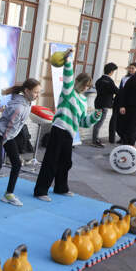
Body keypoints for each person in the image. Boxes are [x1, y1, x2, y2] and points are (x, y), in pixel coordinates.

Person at [34, 49, 101, 202]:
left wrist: (94, 117)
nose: (85, 88)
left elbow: (83, 121)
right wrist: (68, 60)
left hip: (70, 133)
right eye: (84, 85)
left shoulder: (83, 101)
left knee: (66, 162)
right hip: (59, 128)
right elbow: (68, 77)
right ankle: (40, 190)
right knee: (51, 160)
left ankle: (60, 188)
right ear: (77, 82)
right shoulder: (68, 91)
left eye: (88, 86)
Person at [0, 79, 41, 214]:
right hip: (0, 135)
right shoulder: (19, 107)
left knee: (17, 164)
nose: (37, 95)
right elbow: (9, 128)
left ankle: (8, 194)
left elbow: (12, 130)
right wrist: (3, 142)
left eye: (39, 92)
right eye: (35, 92)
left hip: (9, 136)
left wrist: (8, 140)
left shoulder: (27, 103)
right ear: (27, 91)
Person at [110, 62, 136, 143]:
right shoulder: (124, 78)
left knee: (126, 122)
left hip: (130, 103)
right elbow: (121, 90)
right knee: (118, 122)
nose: (131, 70)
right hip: (120, 101)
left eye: (133, 68)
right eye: (130, 68)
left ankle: (125, 138)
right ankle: (122, 137)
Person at [92, 62, 118, 148]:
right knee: (99, 122)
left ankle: (95, 139)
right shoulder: (110, 81)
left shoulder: (99, 80)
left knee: (97, 121)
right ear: (111, 72)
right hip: (105, 105)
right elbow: (117, 91)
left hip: (98, 103)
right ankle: (95, 140)